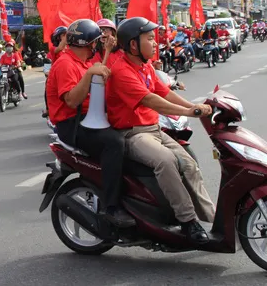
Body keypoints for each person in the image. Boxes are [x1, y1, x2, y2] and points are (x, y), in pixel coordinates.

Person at [107, 17, 216, 244]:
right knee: (165, 161)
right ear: (133, 45)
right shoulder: (121, 71)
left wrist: (193, 106)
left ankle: (213, 219)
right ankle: (188, 223)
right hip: (133, 134)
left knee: (189, 165)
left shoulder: (145, 66)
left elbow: (164, 92)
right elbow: (150, 100)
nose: (155, 43)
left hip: (154, 129)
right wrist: (190, 112)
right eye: (149, 39)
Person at [46, 19, 134, 228]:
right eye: (95, 42)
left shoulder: (83, 61)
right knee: (114, 143)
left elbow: (98, 77)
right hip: (72, 124)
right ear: (88, 43)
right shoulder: (66, 64)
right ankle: (112, 208)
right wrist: (89, 74)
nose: (98, 45)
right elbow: (71, 100)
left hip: (86, 119)